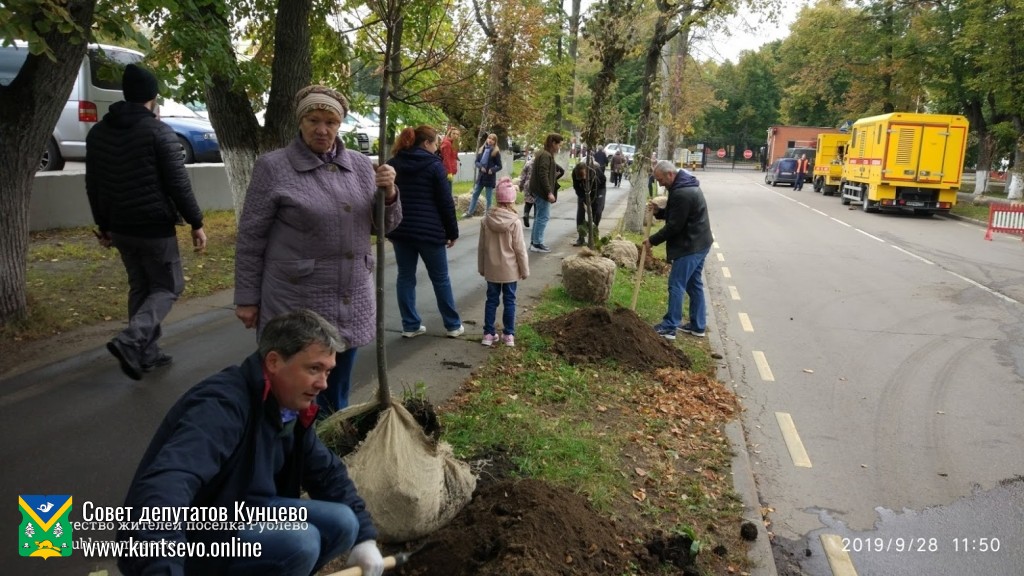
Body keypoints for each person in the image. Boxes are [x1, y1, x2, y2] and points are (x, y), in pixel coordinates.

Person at [117, 309, 385, 576]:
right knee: (300, 542)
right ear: (274, 362)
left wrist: (365, 538)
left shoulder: (288, 407)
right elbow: (168, 483)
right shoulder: (221, 406)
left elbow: (327, 473)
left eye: (328, 371)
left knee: (343, 522)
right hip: (193, 536)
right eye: (314, 369)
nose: (323, 384)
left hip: (245, 510)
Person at [234, 85, 401, 413]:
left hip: (350, 298)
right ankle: (289, 442)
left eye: (331, 122)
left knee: (335, 393)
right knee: (292, 392)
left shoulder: (360, 166)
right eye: (313, 120)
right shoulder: (273, 167)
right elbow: (252, 236)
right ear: (300, 121)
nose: (322, 129)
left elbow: (384, 226)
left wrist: (390, 193)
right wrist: (247, 298)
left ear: (340, 125)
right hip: (297, 300)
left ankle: (327, 442)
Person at [86, 63, 207, 381]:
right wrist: (196, 222)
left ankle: (146, 353)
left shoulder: (98, 132)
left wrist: (104, 226)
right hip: (153, 227)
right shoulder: (158, 132)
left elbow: (93, 183)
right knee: (169, 286)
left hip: (120, 226)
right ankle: (131, 341)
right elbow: (178, 183)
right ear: (152, 96)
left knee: (141, 287)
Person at [387, 125, 465, 339]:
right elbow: (445, 202)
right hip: (430, 232)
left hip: (401, 229)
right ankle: (452, 325)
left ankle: (410, 325)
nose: (437, 147)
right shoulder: (434, 165)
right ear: (426, 143)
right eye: (435, 143)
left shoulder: (393, 164)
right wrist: (452, 232)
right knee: (440, 279)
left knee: (405, 277)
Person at [644, 160, 713, 341]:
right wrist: (659, 211)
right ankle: (698, 326)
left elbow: (674, 226)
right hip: (701, 242)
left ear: (670, 174)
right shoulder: (683, 185)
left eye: (661, 180)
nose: (660, 184)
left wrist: (652, 241)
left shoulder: (682, 192)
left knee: (676, 284)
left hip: (690, 246)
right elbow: (677, 213)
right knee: (693, 284)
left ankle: (669, 327)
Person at [478, 177, 529, 348]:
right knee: (510, 301)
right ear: (512, 200)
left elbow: (482, 247)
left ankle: (488, 334)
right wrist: (524, 270)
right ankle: (508, 335)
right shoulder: (515, 223)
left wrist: (482, 267)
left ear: (497, 199)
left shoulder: (485, 221)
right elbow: (520, 249)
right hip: (510, 270)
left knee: (491, 300)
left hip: (492, 269)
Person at [528, 133, 564, 253]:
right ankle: (537, 243)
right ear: (553, 143)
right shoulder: (546, 155)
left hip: (539, 190)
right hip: (542, 191)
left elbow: (545, 173)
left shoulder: (543, 154)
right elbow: (542, 174)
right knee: (543, 216)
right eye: (559, 145)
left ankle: (534, 242)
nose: (559, 147)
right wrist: (549, 192)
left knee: (539, 216)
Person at [463, 133, 502, 217]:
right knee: (475, 194)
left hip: (489, 177)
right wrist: (480, 167)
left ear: (495, 142)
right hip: (481, 177)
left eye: (493, 139)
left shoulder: (496, 152)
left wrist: (492, 170)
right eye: (489, 138)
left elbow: (499, 166)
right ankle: (470, 212)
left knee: (489, 198)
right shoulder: (482, 149)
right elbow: (476, 162)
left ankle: (488, 215)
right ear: (487, 139)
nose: (490, 140)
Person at [571, 158, 607, 246]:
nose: (583, 178)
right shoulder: (575, 172)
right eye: (581, 178)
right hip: (583, 191)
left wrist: (594, 198)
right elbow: (576, 187)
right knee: (581, 211)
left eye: (584, 176)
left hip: (598, 190)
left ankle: (593, 235)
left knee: (597, 211)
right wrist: (583, 199)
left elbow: (603, 181)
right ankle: (581, 237)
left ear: (587, 170)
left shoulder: (595, 170)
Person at [440, 126, 461, 192]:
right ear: (450, 134)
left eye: (457, 134)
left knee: (448, 189)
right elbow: (446, 158)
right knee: (447, 191)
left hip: (450, 170)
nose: (455, 135)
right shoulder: (447, 143)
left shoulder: (453, 143)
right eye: (453, 133)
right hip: (447, 171)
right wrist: (449, 172)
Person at [519, 153, 535, 228]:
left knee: (528, 202)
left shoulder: (528, 163)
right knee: (537, 203)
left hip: (527, 184)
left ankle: (526, 214)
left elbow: (523, 176)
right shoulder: (540, 164)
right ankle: (536, 219)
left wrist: (521, 185)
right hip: (537, 185)